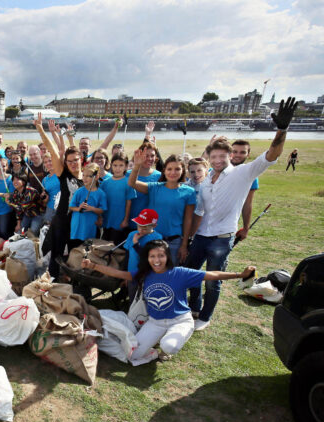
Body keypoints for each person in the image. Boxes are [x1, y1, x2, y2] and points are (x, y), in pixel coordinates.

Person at [186, 97, 297, 331]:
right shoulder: (205, 181)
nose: (217, 160)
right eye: (213, 157)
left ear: (229, 156)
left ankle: (205, 317)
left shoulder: (243, 173)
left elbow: (271, 155)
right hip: (201, 237)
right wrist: (189, 238)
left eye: (221, 157)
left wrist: (282, 130)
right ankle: (193, 308)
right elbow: (199, 212)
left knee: (213, 281)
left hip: (221, 239)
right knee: (192, 276)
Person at [84, 240, 255, 361]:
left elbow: (212, 275)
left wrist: (240, 274)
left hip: (179, 319)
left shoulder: (180, 273)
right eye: (152, 256)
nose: (157, 260)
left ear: (167, 257)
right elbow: (120, 274)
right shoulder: (145, 274)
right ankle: (157, 341)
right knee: (133, 355)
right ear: (147, 259)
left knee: (170, 346)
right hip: (155, 321)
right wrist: (93, 266)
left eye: (161, 256)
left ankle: (170, 341)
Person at [34, 113, 84, 278]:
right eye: (69, 161)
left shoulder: (87, 177)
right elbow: (54, 152)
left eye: (75, 160)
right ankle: (53, 282)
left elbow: (75, 152)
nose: (73, 164)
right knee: (56, 254)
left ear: (81, 160)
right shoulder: (64, 175)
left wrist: (70, 139)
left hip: (79, 224)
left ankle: (76, 282)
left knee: (77, 254)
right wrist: (41, 129)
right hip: (62, 221)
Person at [129, 152, 195, 265]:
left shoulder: (189, 192)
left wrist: (184, 245)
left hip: (174, 241)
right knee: (148, 270)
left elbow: (188, 220)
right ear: (164, 170)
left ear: (183, 170)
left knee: (170, 272)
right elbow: (132, 183)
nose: (173, 172)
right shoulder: (155, 187)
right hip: (152, 238)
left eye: (177, 169)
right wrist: (137, 166)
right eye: (169, 169)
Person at [68, 163, 107, 248]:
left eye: (88, 176)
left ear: (96, 177)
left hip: (90, 228)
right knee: (74, 250)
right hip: (77, 228)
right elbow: (71, 206)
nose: (84, 178)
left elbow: (102, 209)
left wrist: (92, 208)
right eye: (83, 175)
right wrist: (79, 208)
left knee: (87, 252)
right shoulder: (79, 191)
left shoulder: (101, 194)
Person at [100, 154, 136, 245]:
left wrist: (125, 220)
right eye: (115, 165)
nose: (118, 168)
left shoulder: (128, 182)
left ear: (126, 166)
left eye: (121, 165)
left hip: (120, 221)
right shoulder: (105, 182)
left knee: (116, 246)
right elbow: (101, 201)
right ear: (111, 165)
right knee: (104, 244)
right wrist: (99, 217)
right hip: (107, 219)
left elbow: (129, 202)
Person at [127, 137, 162, 227]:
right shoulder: (128, 175)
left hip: (149, 225)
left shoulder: (160, 176)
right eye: (146, 155)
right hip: (129, 223)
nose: (150, 159)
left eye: (152, 156)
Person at [230, 139, 259, 243]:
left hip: (228, 227)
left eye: (242, 152)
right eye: (234, 151)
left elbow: (247, 203)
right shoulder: (215, 170)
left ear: (248, 155)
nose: (237, 155)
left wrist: (246, 228)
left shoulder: (251, 175)